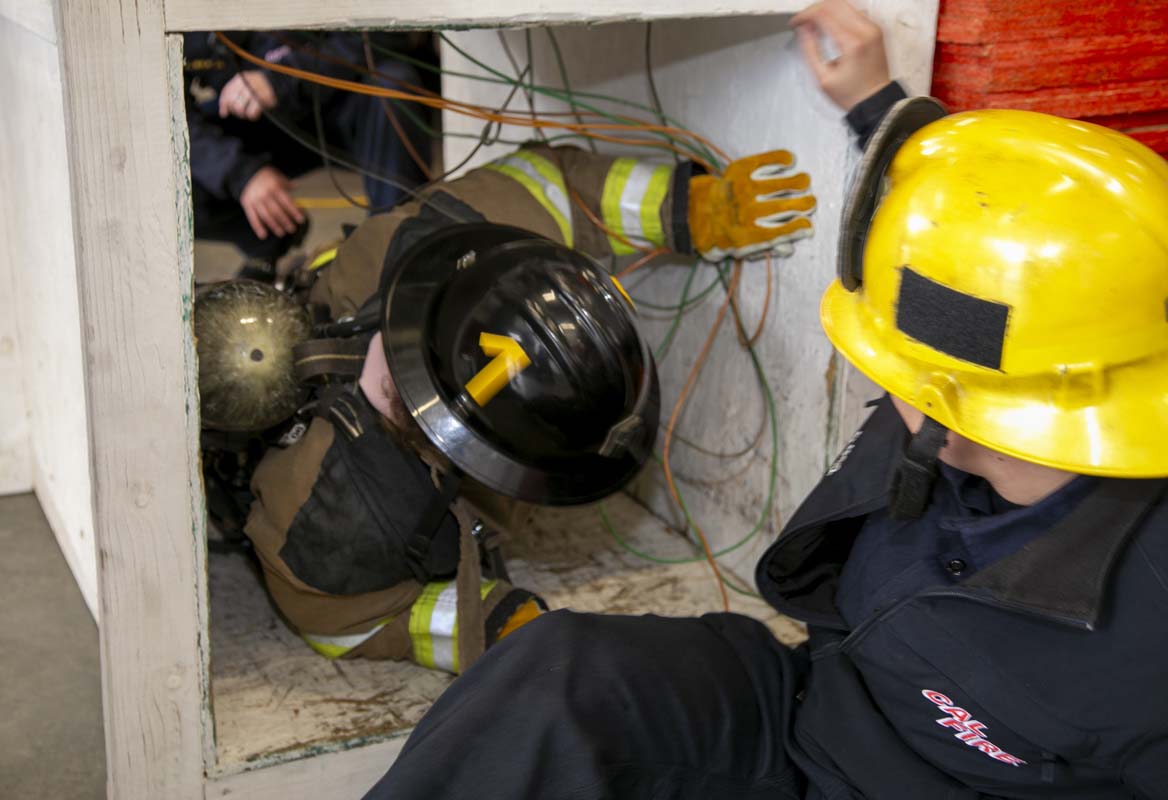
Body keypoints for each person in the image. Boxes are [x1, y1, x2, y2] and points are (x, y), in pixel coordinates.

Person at [359, 1, 1168, 797]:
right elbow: (991, 241)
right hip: (808, 702)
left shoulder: (1143, 634)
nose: (885, 383)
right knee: (557, 680)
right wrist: (875, 104)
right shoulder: (1045, 355)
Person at [196, 136, 818, 672]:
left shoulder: (441, 237)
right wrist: (487, 621)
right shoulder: (322, 520)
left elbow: (551, 182)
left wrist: (689, 209)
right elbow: (340, 623)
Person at [184, 31, 434, 275]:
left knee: (393, 85)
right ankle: (271, 234)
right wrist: (240, 172)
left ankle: (396, 248)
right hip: (257, 119)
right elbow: (164, 105)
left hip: (340, 99)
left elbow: (386, 35)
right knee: (168, 164)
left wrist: (282, 78)